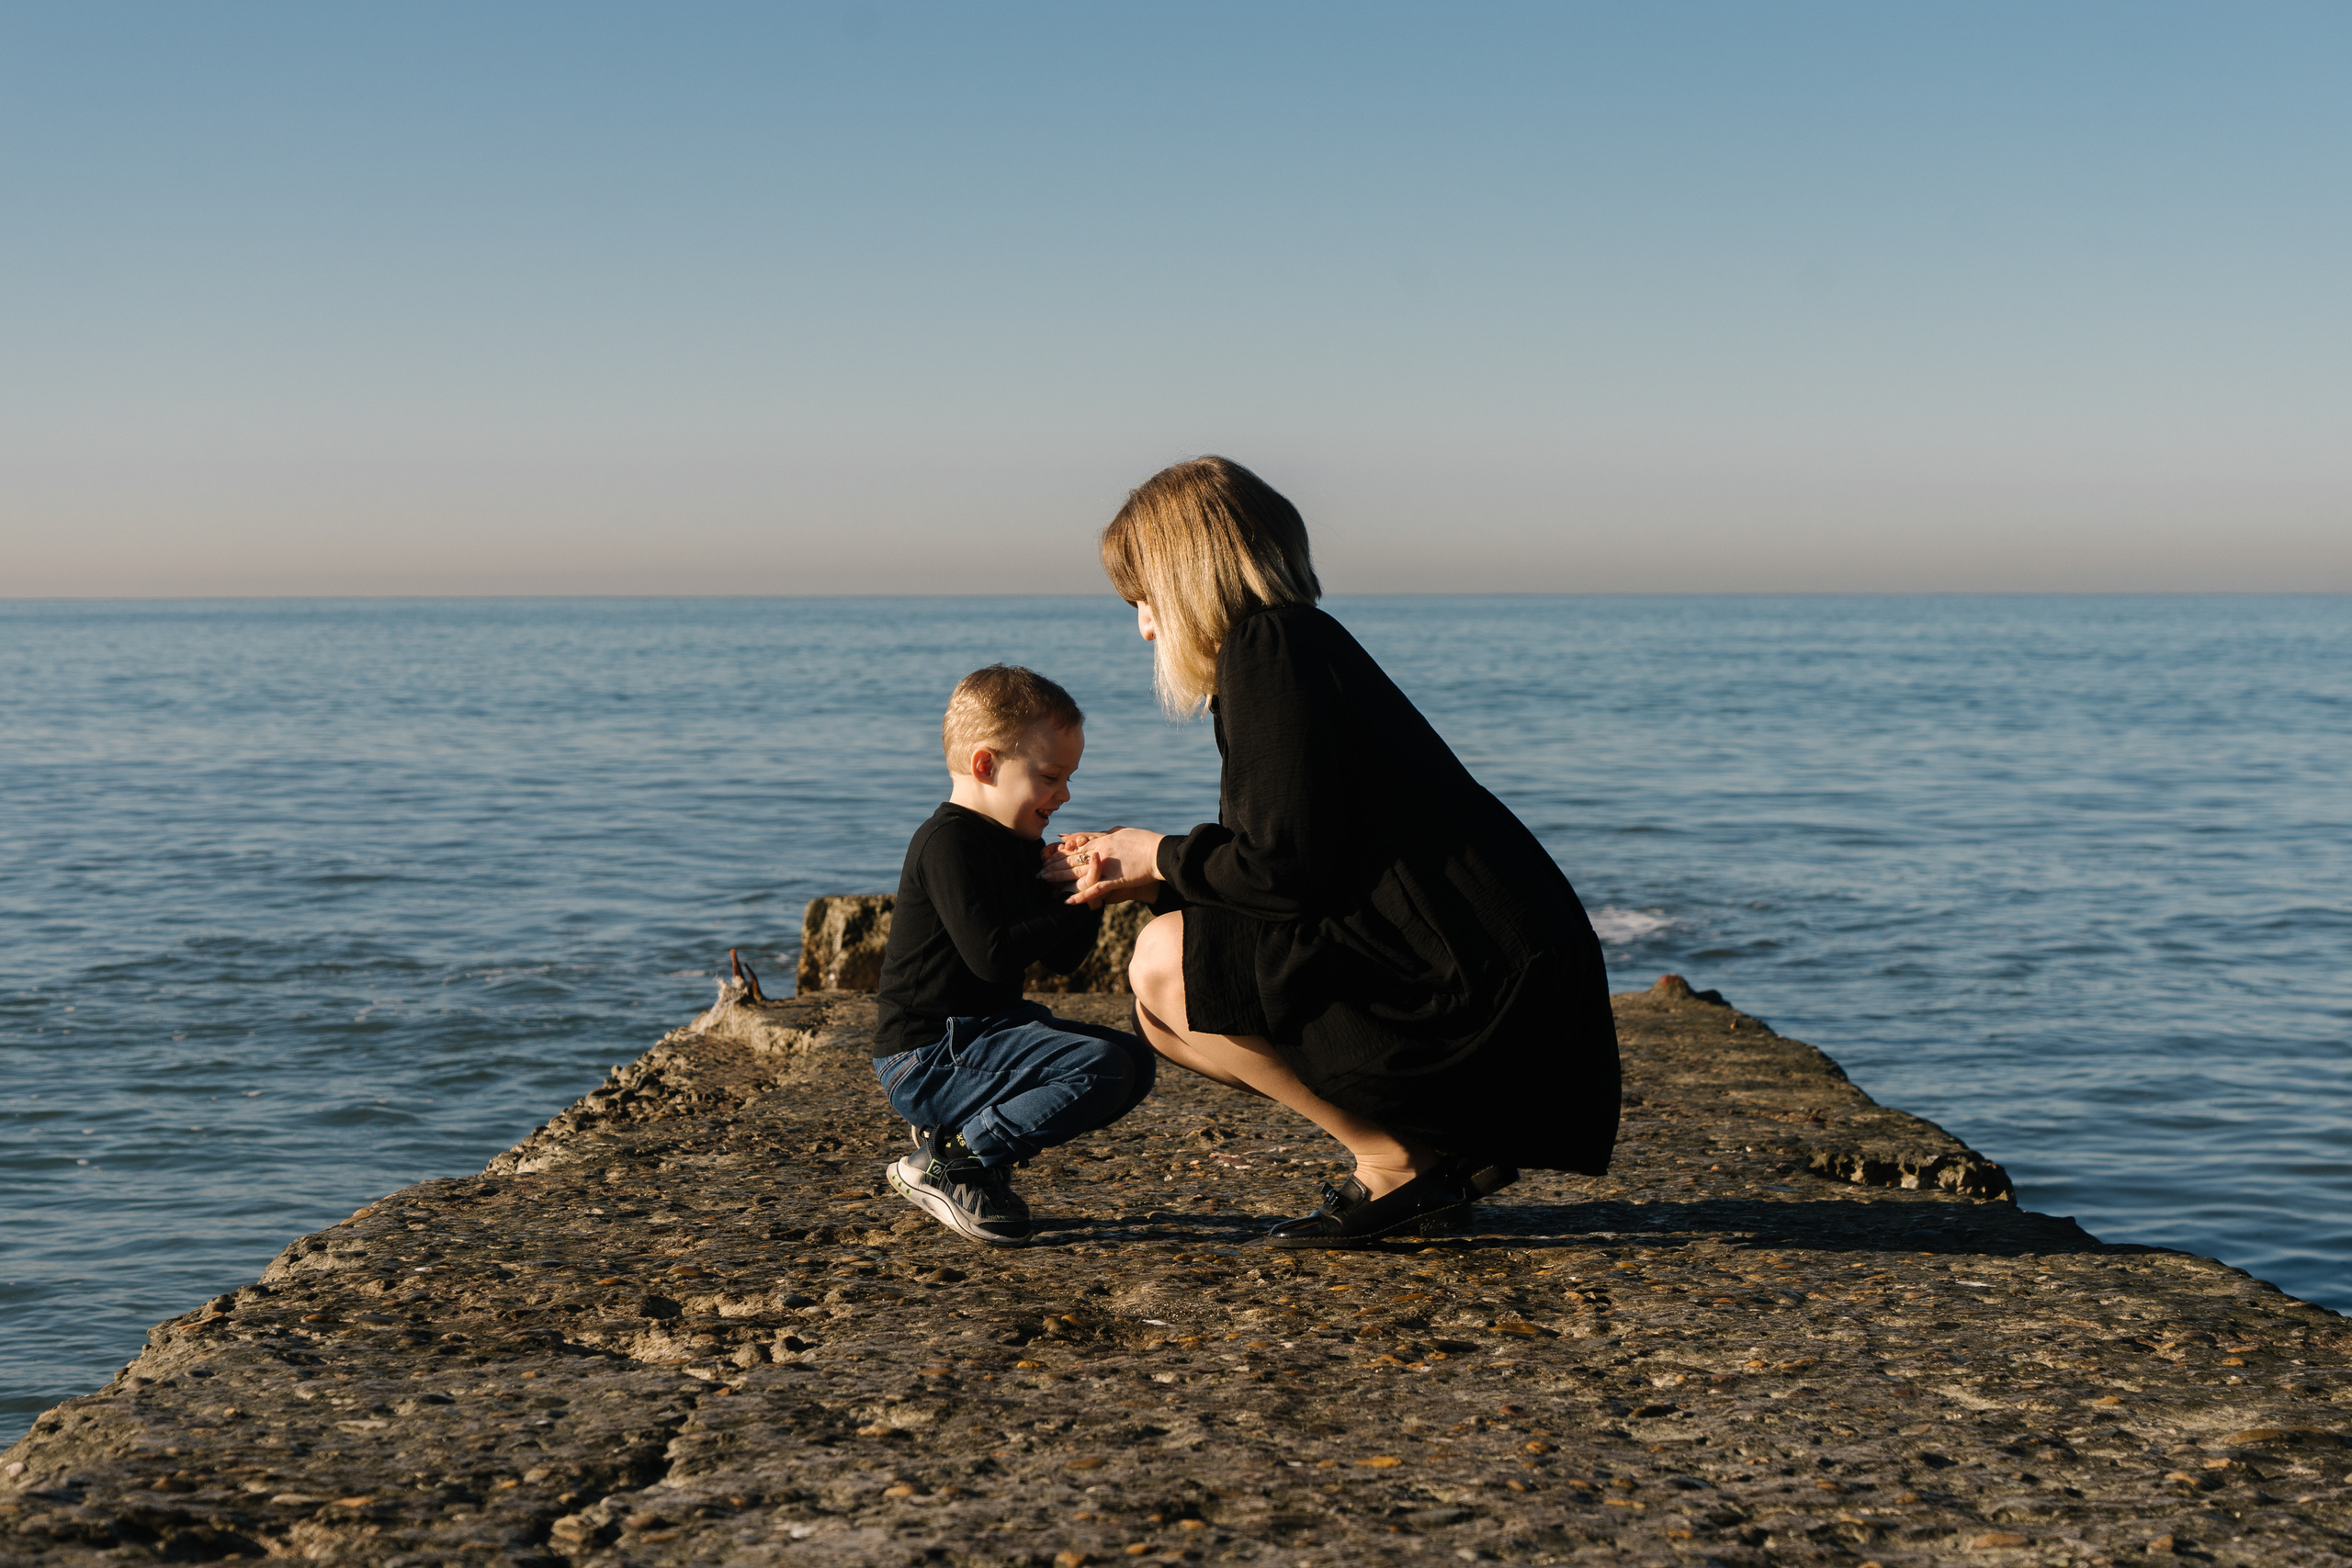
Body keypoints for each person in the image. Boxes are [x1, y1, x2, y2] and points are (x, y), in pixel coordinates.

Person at [1050, 457, 1621, 1247]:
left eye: (1144, 600)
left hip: (1481, 995)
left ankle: (1399, 1163)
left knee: (1162, 965)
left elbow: (1281, 870)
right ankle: (1428, 1153)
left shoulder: (1267, 650)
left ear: (1187, 578)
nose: (1146, 628)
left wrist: (1158, 855)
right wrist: (1149, 874)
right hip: (1497, 973)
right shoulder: (1295, 648)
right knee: (1163, 1011)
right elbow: (1306, 871)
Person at [871, 664, 1155, 1245]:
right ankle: (956, 1160)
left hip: (988, 1035)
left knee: (1133, 1061)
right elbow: (993, 957)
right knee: (1099, 1067)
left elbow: (1063, 961)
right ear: (986, 765)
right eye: (1051, 777)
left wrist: (1084, 888)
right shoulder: (948, 841)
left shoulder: (1021, 845)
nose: (1064, 794)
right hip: (928, 1054)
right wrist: (1077, 905)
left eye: (1069, 779)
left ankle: (967, 1143)